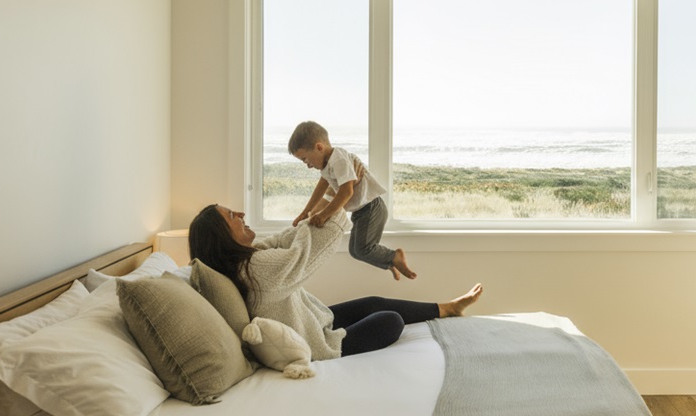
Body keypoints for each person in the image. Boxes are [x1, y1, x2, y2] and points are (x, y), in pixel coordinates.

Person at [188, 204, 482, 359]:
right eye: (231, 216)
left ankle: (447, 308)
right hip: (315, 345)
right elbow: (304, 252)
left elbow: (283, 240)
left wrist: (318, 212)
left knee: (372, 302)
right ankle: (447, 309)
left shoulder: (248, 260)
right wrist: (338, 209)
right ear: (222, 236)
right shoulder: (254, 268)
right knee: (389, 319)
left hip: (311, 322)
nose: (240, 213)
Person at [287, 120, 416, 281]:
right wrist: (305, 212)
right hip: (361, 211)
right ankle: (390, 262)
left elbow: (346, 191)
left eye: (306, 159)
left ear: (319, 147)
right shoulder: (328, 164)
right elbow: (321, 188)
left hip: (372, 208)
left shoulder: (339, 159)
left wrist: (324, 215)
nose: (308, 165)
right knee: (355, 251)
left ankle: (395, 256)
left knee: (362, 249)